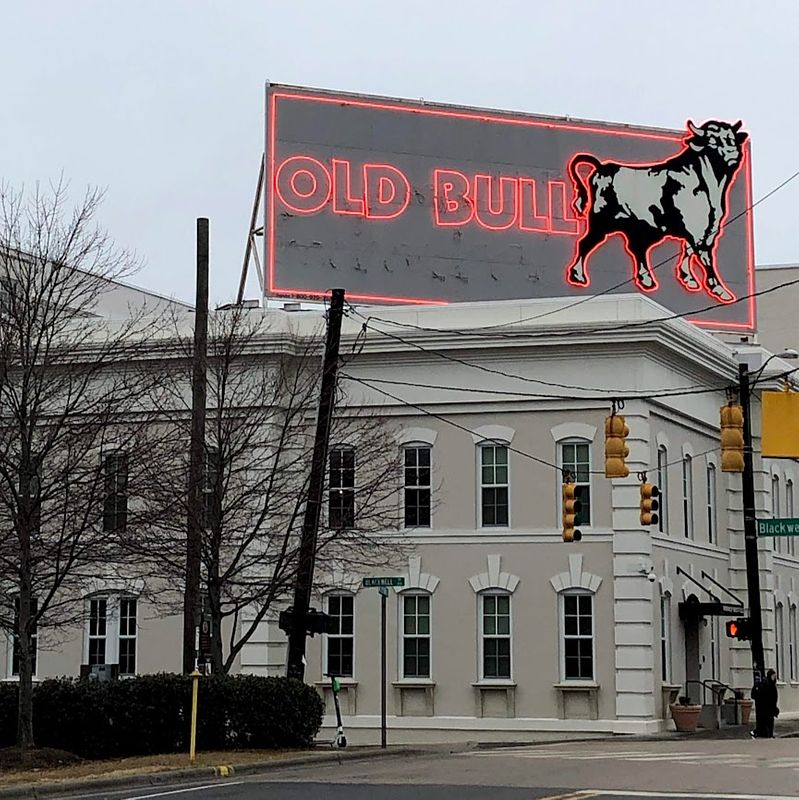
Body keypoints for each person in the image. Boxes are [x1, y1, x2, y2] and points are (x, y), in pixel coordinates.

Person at [751, 669, 779, 738]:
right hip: (767, 708)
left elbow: (774, 697)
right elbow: (764, 696)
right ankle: (762, 733)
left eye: (775, 676)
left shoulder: (772, 685)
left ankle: (768, 734)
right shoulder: (766, 684)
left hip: (770, 707)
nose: (774, 678)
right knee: (767, 722)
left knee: (769, 722)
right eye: (773, 676)